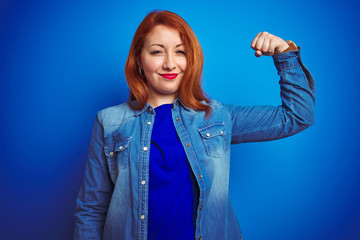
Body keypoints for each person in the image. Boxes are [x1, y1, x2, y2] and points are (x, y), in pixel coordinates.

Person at [73, 10, 315, 240]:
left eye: (180, 52)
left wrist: (285, 55)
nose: (170, 64)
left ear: (191, 59)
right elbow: (91, 210)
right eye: (157, 52)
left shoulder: (217, 116)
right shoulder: (110, 122)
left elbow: (297, 116)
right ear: (139, 59)